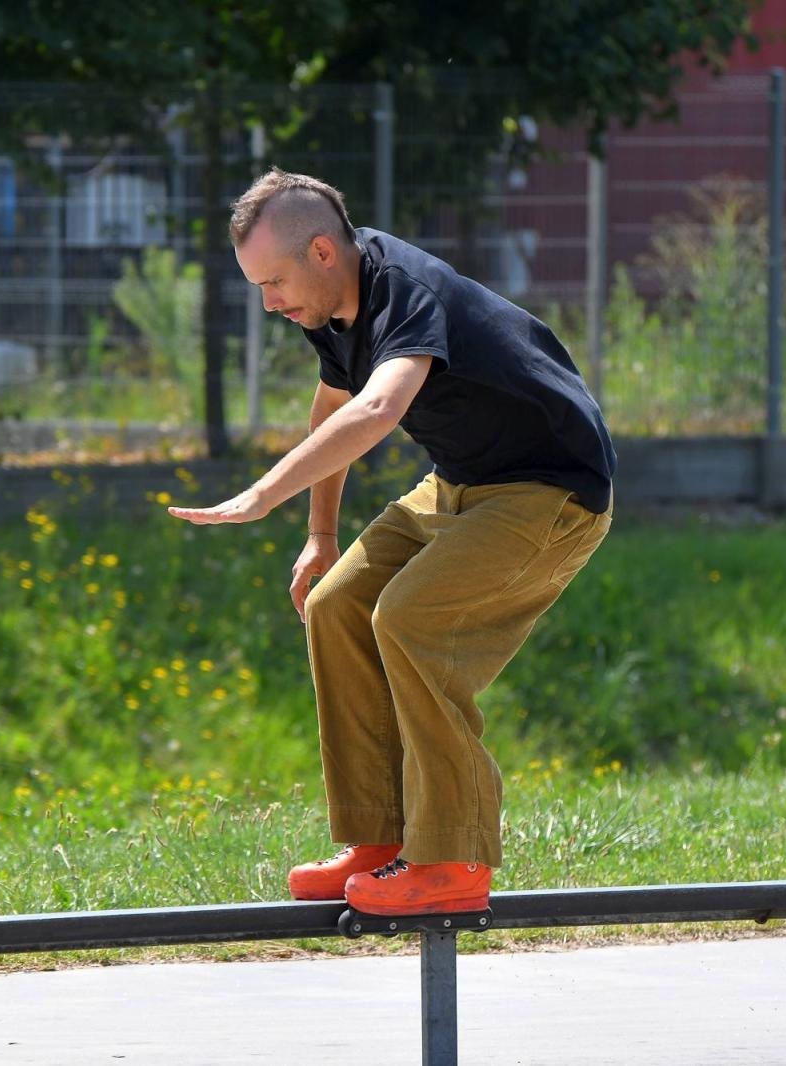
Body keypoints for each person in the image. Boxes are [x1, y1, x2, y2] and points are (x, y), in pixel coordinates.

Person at [168, 168, 615, 916]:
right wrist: (320, 534)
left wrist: (263, 493)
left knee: (412, 619)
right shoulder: (330, 306)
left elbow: (378, 408)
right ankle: (379, 840)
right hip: (460, 483)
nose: (270, 303)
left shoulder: (406, 292)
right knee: (337, 603)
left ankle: (455, 857)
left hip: (549, 491)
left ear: (321, 251)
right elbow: (333, 404)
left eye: (273, 282)